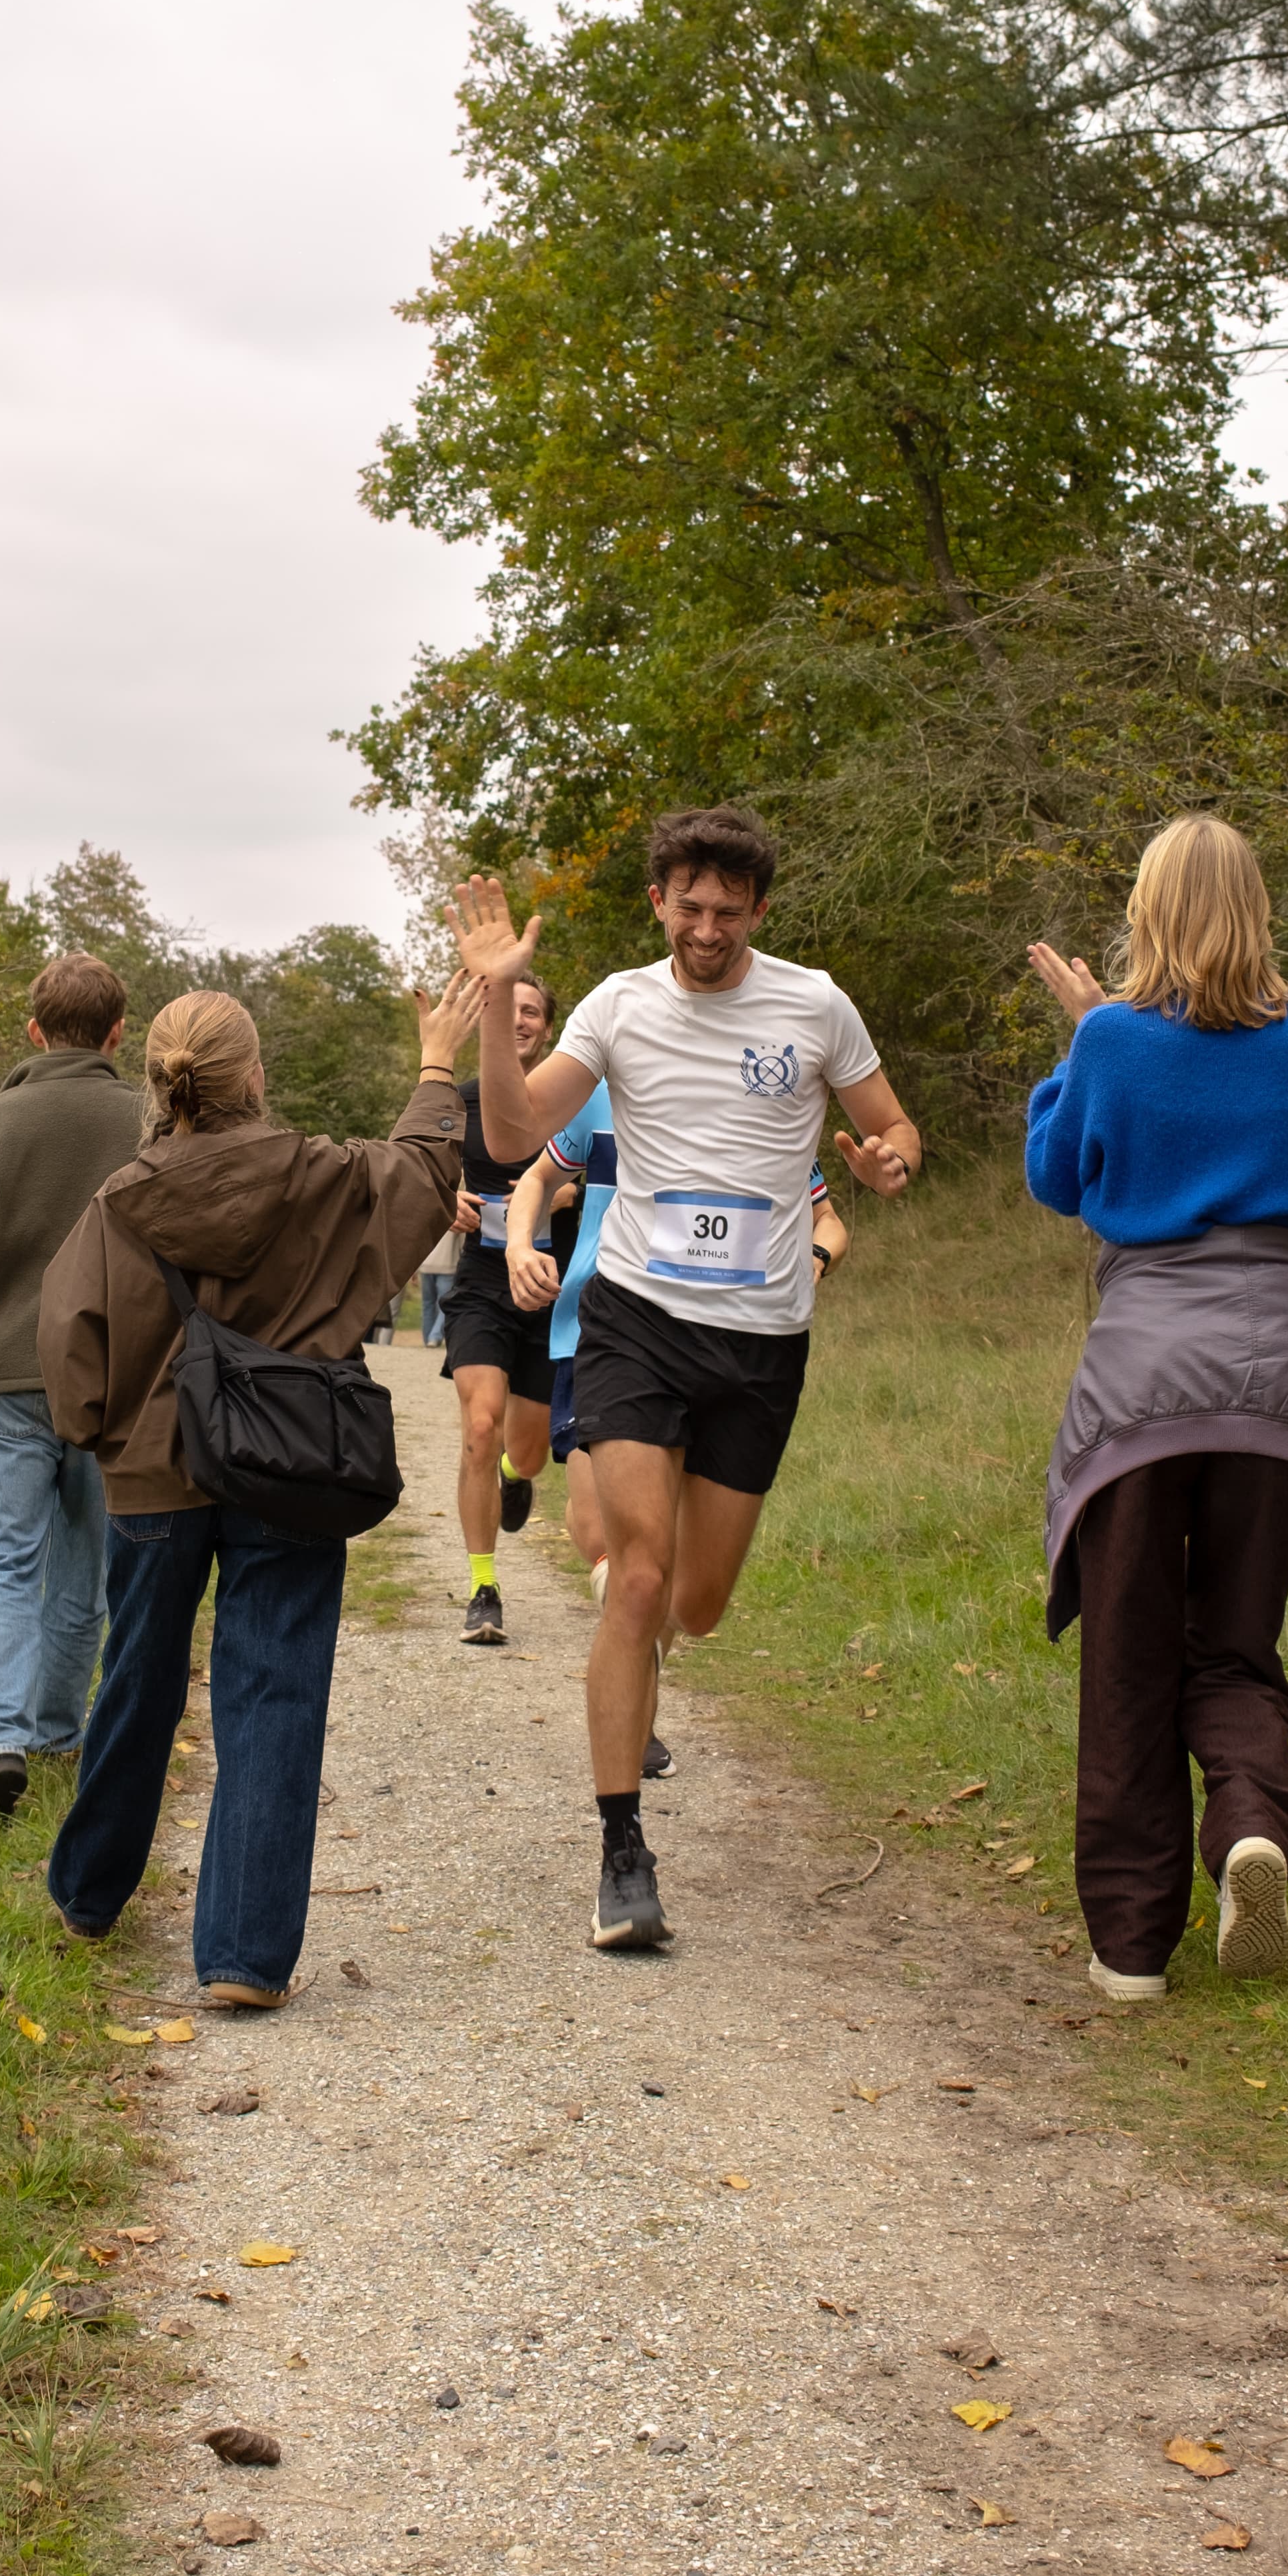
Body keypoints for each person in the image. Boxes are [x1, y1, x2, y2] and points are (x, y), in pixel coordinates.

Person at [451, 807, 919, 1952]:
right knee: (637, 1576)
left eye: (726, 911)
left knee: (695, 1606)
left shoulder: (814, 1007)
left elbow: (891, 1127)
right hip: (635, 1320)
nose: (704, 929)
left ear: (757, 911)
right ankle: (621, 1852)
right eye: (686, 906)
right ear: (656, 902)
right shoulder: (617, 1005)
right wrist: (493, 1015)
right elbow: (514, 1140)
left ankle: (653, 1668)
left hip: (759, 1339)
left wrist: (885, 1162)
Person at [37, 974, 476, 2006]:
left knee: (137, 1679)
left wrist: (104, 1437)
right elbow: (418, 1177)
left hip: (152, 1472)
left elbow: (69, 1340)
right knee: (273, 1689)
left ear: (158, 1081)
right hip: (288, 1456)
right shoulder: (319, 1173)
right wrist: (432, 1064)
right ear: (256, 1076)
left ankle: (90, 1896)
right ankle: (243, 1955)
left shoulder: (120, 1199)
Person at [1024, 812, 1288, 2005]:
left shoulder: (1107, 1038)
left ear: (1147, 909)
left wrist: (1079, 1046)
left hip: (1144, 1379)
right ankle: (1249, 1827)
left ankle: (1130, 1950)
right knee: (1235, 1644)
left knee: (1129, 1658)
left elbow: (1058, 1180)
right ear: (1253, 908)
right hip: (1276, 1366)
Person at [506, 1114, 849, 1782]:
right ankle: (634, 1651)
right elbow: (538, 1175)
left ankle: (637, 1693)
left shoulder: (753, 1102)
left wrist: (815, 1257)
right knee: (604, 1537)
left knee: (675, 1580)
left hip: (715, 1343)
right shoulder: (607, 1078)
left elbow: (828, 1218)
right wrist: (522, 1241)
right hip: (595, 1328)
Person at [0, 950, 145, 1831]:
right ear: (120, 1033)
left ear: (33, 1029)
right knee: (85, 1568)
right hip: (111, 1377)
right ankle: (55, 1734)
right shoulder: (147, 1123)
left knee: (4, 1562)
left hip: (8, 1374)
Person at [441, 974, 561, 1645]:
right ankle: (483, 1587)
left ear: (545, 1027)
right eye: (509, 1008)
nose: (519, 1020)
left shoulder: (566, 1095)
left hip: (550, 1284)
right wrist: (447, 1200)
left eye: (532, 1011)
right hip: (485, 1281)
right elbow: (422, 1174)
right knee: (480, 1427)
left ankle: (517, 1476)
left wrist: (560, 1196)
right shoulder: (461, 1102)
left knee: (528, 1448)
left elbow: (607, 1175)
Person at [417, 1224, 461, 1349]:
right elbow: (463, 1243)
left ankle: (428, 1339)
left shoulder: (429, 1216)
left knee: (428, 1304)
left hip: (426, 1264)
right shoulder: (457, 1213)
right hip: (447, 1265)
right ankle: (434, 1337)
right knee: (444, 1304)